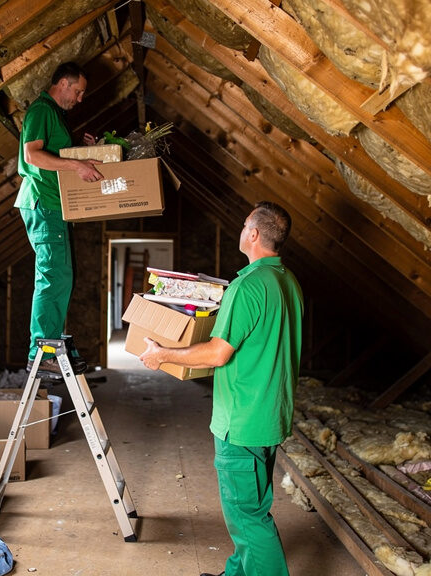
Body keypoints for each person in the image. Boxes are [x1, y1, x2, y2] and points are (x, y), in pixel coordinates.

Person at [139, 201, 303, 576]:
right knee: (251, 507)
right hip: (270, 415)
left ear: (255, 234)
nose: (241, 229)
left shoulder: (247, 286)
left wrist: (163, 354)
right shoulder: (287, 282)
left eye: (246, 224)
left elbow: (217, 354)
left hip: (241, 420)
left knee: (246, 517)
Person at [15, 62, 103, 375]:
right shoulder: (41, 109)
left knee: (62, 276)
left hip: (54, 205)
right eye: (77, 91)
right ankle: (40, 349)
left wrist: (80, 151)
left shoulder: (55, 116)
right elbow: (33, 155)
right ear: (63, 83)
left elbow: (56, 156)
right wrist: (77, 166)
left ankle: (50, 341)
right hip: (43, 202)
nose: (79, 98)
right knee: (52, 275)